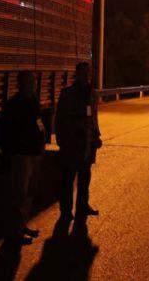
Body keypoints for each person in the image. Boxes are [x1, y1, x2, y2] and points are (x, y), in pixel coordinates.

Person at [0, 70, 45, 244]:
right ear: (19, 85)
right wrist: (10, 152)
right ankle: (15, 233)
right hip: (21, 155)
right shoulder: (14, 105)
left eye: (33, 82)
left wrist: (41, 144)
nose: (32, 85)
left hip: (34, 153)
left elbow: (39, 123)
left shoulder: (33, 101)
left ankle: (22, 225)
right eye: (28, 82)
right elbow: (6, 131)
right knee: (19, 194)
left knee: (29, 193)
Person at [55, 62, 102, 224]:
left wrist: (96, 136)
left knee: (85, 177)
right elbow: (60, 118)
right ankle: (66, 211)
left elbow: (94, 117)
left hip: (87, 143)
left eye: (89, 73)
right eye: (84, 72)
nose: (87, 75)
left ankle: (82, 206)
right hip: (71, 143)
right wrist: (61, 140)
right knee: (68, 179)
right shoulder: (68, 94)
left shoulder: (92, 94)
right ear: (77, 74)